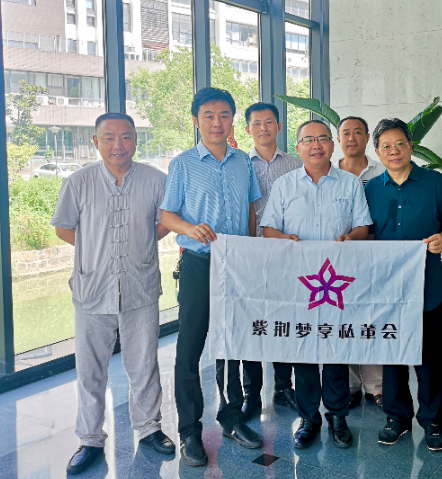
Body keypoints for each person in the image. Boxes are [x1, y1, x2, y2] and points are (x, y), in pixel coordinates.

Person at [52, 113, 175, 474]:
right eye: (109, 138)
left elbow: (166, 222)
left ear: (135, 140)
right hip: (93, 288)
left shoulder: (156, 180)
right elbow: (64, 228)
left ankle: (149, 428)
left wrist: (141, 245)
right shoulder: (78, 182)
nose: (118, 145)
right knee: (90, 369)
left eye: (126, 137)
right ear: (96, 141)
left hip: (140, 286)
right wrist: (97, 253)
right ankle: (90, 438)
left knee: (144, 363)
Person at [160, 87, 264, 466]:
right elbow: (166, 215)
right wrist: (189, 228)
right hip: (199, 265)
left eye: (224, 115)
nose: (217, 122)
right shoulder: (183, 164)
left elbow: (251, 209)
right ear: (196, 120)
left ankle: (231, 417)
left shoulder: (243, 162)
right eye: (208, 115)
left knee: (232, 343)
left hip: (237, 263)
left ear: (232, 120)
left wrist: (250, 250)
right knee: (190, 348)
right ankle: (189, 431)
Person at [261, 119, 372, 449]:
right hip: (298, 282)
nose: (316, 145)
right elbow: (269, 228)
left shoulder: (350, 184)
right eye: (308, 140)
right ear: (298, 148)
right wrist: (284, 238)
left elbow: (363, 226)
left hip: (338, 281)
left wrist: (351, 237)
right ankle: (309, 417)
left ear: (332, 145)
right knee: (304, 350)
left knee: (336, 348)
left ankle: (338, 416)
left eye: (322, 138)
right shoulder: (284, 185)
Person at [365, 118, 442, 452]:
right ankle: (396, 418)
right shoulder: (371, 189)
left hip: (425, 285)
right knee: (391, 353)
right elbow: (365, 232)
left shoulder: (433, 182)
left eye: (400, 144)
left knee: (430, 356)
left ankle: (433, 420)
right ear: (377, 152)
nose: (394, 151)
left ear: (411, 146)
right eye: (386, 146)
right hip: (387, 288)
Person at [240, 102, 302, 417]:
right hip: (249, 254)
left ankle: (283, 387)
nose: (263, 128)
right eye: (257, 123)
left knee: (283, 321)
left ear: (279, 126)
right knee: (251, 324)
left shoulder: (296, 164)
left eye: (269, 122)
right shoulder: (238, 164)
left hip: (284, 253)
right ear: (248, 129)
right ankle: (251, 394)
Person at [334, 115, 386, 408]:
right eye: (346, 133)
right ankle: (351, 385)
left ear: (367, 138)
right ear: (338, 139)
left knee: (370, 319)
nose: (351, 138)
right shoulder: (329, 172)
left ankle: (376, 386)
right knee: (343, 319)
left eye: (358, 132)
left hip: (373, 257)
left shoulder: (382, 171)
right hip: (339, 260)